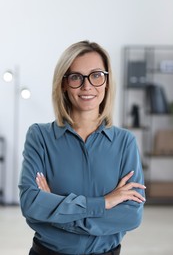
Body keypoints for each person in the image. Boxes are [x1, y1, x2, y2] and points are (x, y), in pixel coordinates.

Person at [19, 40, 146, 255]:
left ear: (106, 82)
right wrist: (103, 203)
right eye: (76, 77)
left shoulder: (125, 142)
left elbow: (131, 215)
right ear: (63, 83)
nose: (87, 86)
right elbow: (31, 203)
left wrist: (56, 214)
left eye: (96, 75)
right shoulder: (39, 136)